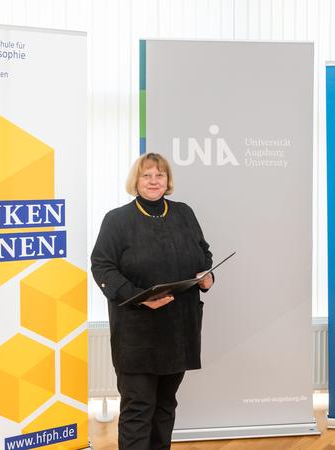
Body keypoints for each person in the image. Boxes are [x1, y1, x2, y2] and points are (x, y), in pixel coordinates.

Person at [91, 152, 214, 450]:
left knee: (165, 406)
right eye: (147, 175)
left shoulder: (184, 213)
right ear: (136, 180)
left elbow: (204, 254)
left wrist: (207, 277)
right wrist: (139, 298)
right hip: (137, 331)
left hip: (178, 330)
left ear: (168, 181)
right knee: (138, 408)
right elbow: (102, 265)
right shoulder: (117, 220)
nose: (154, 180)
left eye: (159, 175)